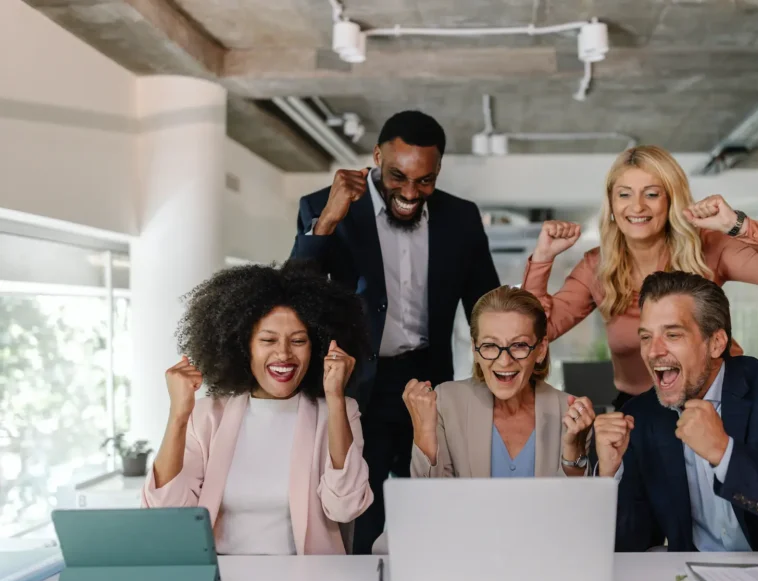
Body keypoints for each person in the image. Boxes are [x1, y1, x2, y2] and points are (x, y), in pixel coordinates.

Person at [289, 110, 500, 554]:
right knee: (361, 506)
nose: (409, 191)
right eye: (397, 176)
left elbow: (486, 305)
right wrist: (327, 221)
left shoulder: (461, 218)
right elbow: (294, 296)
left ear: (438, 170)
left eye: (424, 181)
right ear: (376, 156)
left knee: (432, 495)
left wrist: (496, 378)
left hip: (429, 378)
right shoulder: (322, 206)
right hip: (359, 382)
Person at [522, 145, 758, 411]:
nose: (637, 206)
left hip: (719, 399)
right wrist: (543, 258)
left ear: (670, 200)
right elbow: (533, 333)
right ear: (612, 205)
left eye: (651, 194)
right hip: (640, 407)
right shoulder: (596, 267)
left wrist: (736, 224)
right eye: (624, 194)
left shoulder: (705, 247)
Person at [596, 271, 758, 553]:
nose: (653, 351)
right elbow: (631, 546)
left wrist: (725, 454)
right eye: (646, 337)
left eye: (672, 334)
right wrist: (609, 478)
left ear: (716, 343)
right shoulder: (641, 416)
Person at [141, 261, 373, 555]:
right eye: (268, 340)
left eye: (298, 341)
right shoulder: (207, 416)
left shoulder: (339, 412)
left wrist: (337, 397)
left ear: (317, 347)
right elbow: (166, 513)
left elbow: (346, 507)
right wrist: (178, 416)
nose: (284, 354)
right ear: (243, 346)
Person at [404, 286, 596, 479]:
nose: (504, 361)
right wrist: (424, 431)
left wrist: (573, 451)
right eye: (489, 346)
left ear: (541, 349)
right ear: (475, 349)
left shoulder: (570, 414)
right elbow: (431, 502)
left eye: (519, 345)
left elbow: (571, 504)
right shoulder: (446, 402)